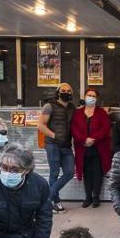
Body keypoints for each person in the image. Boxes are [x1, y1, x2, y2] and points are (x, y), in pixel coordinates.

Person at [37, 82, 77, 213]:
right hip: (53, 145)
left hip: (66, 146)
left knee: (70, 172)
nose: (66, 92)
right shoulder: (49, 106)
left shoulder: (72, 107)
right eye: (63, 90)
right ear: (58, 92)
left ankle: (49, 197)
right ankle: (55, 201)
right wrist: (54, 135)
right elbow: (41, 125)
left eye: (69, 90)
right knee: (54, 173)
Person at [71, 87, 113, 208]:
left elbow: (105, 128)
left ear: (97, 99)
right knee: (87, 174)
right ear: (84, 97)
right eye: (89, 95)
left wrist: (93, 139)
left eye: (94, 96)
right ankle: (87, 197)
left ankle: (96, 198)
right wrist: (84, 139)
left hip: (98, 149)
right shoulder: (78, 113)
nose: (91, 98)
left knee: (97, 174)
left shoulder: (101, 113)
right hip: (82, 149)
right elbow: (74, 129)